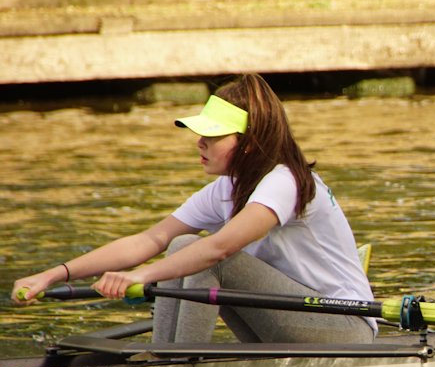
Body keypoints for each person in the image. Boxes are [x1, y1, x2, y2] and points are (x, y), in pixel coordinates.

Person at [13, 73, 376, 343]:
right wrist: (54, 273)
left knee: (201, 252)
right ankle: (168, 356)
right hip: (291, 321)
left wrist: (144, 276)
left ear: (249, 143)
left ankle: (181, 364)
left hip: (343, 326)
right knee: (178, 245)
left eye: (214, 135)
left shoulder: (285, 181)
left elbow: (221, 248)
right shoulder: (224, 189)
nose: (200, 143)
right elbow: (150, 239)